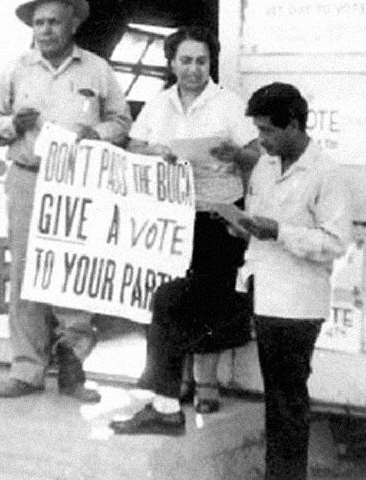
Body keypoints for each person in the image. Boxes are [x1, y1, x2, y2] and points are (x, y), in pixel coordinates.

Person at [0, 0, 132, 401]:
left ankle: (73, 371)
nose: (45, 30)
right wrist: (13, 125)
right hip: (28, 177)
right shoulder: (16, 69)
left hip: (78, 183)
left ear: (73, 26)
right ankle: (26, 370)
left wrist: (97, 133)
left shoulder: (97, 69)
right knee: (28, 274)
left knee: (73, 273)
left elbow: (122, 121)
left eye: (53, 22)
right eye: (38, 23)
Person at [110, 26, 259, 436]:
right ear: (172, 62)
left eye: (202, 61)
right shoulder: (159, 105)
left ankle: (201, 382)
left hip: (217, 215)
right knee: (166, 297)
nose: (194, 69)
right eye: (186, 60)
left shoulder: (228, 104)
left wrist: (235, 153)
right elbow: (133, 147)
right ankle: (174, 385)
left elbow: (258, 155)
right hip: (170, 218)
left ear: (211, 63)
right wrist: (155, 152)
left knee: (206, 300)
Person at [240, 83, 352, 480]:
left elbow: (337, 243)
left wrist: (280, 231)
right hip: (265, 291)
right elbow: (258, 218)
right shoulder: (265, 166)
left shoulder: (326, 171)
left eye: (268, 131)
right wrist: (245, 226)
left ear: (294, 125)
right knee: (276, 401)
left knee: (288, 401)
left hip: (300, 302)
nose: (262, 140)